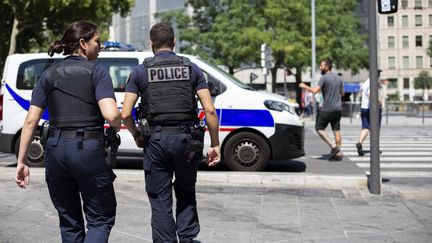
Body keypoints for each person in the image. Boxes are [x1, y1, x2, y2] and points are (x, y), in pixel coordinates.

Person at [15, 21, 121, 242]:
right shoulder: (97, 73)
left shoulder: (47, 75)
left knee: (70, 223)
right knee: (100, 219)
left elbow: (30, 122)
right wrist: (119, 123)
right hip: (88, 152)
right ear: (83, 43)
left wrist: (22, 161)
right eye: (97, 41)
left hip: (55, 151)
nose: (100, 46)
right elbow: (111, 116)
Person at [121, 22, 221, 243]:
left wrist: (137, 134)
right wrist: (215, 144)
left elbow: (126, 113)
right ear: (174, 41)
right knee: (186, 191)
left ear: (151, 43)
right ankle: (187, 238)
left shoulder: (140, 71)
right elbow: (210, 110)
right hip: (188, 141)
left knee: (160, 198)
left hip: (155, 141)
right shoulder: (192, 68)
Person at [299, 58, 344, 160]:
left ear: (327, 67)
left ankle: (334, 146)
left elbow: (315, 90)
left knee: (319, 128)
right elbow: (342, 93)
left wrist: (304, 86)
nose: (320, 67)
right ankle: (339, 152)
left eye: (321, 66)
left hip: (327, 108)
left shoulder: (324, 78)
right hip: (338, 108)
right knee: (336, 129)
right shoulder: (338, 78)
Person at [356, 78, 388, 156]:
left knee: (365, 128)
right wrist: (379, 102)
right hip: (373, 109)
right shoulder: (372, 82)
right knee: (375, 128)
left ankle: (359, 142)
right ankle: (375, 148)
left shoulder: (365, 82)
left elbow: (361, 92)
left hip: (364, 107)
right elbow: (371, 95)